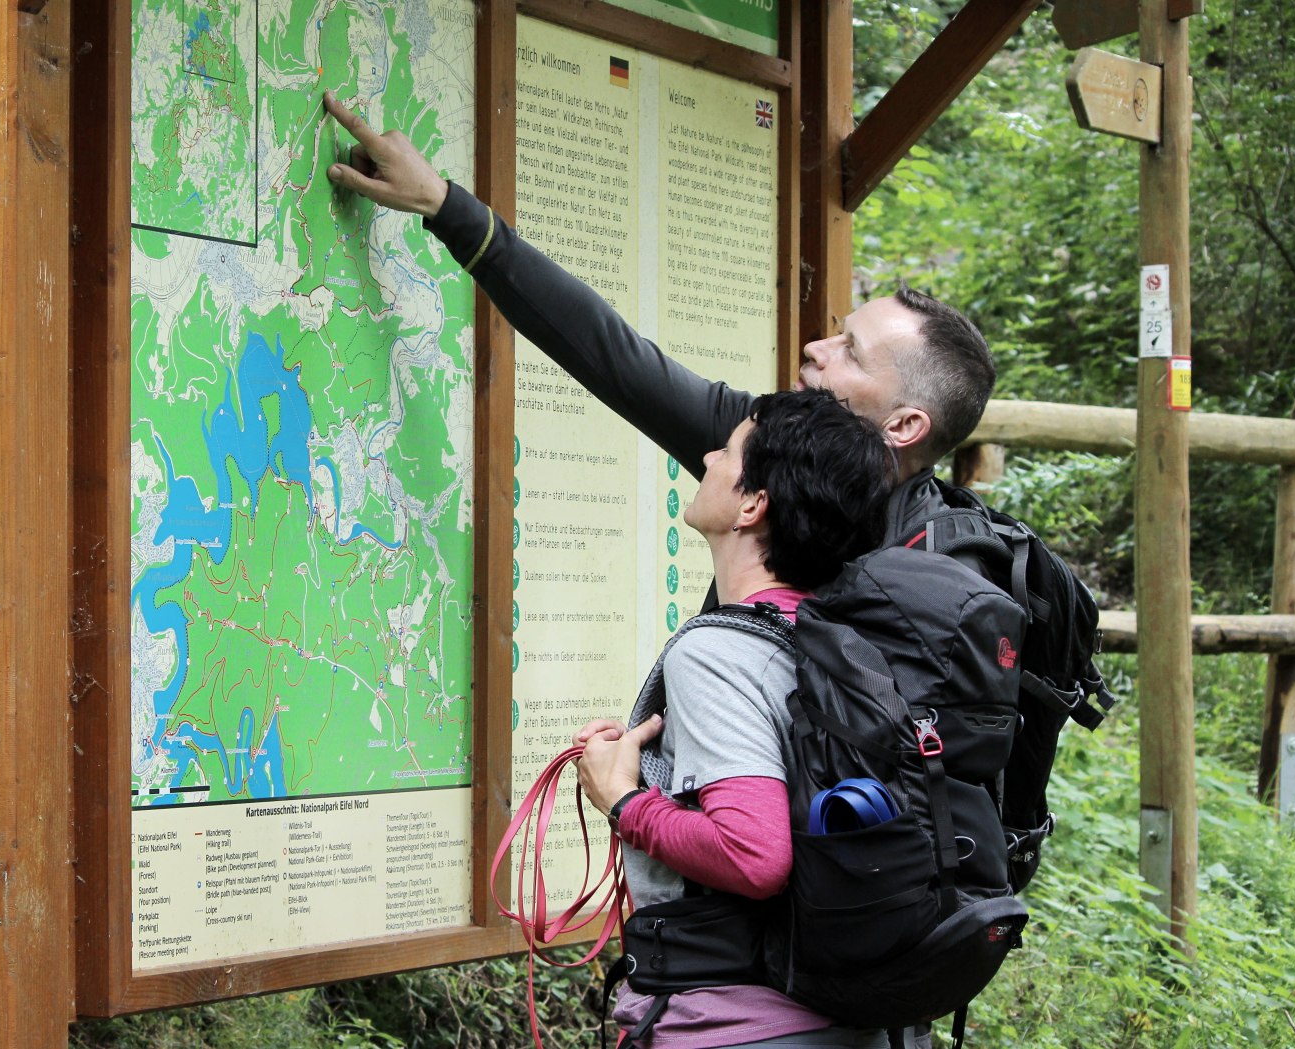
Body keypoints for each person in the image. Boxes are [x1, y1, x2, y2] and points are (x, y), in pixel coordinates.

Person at [320, 91, 998, 579]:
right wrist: (444, 206)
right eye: (835, 334)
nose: (814, 349)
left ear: (906, 424)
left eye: (849, 352)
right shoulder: (761, 437)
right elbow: (607, 349)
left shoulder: (914, 573)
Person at [575, 387, 895, 1047]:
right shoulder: (833, 635)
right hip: (837, 1015)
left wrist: (622, 798)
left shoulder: (718, 651)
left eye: (726, 451)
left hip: (735, 1025)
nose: (706, 455)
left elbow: (755, 855)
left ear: (752, 504)